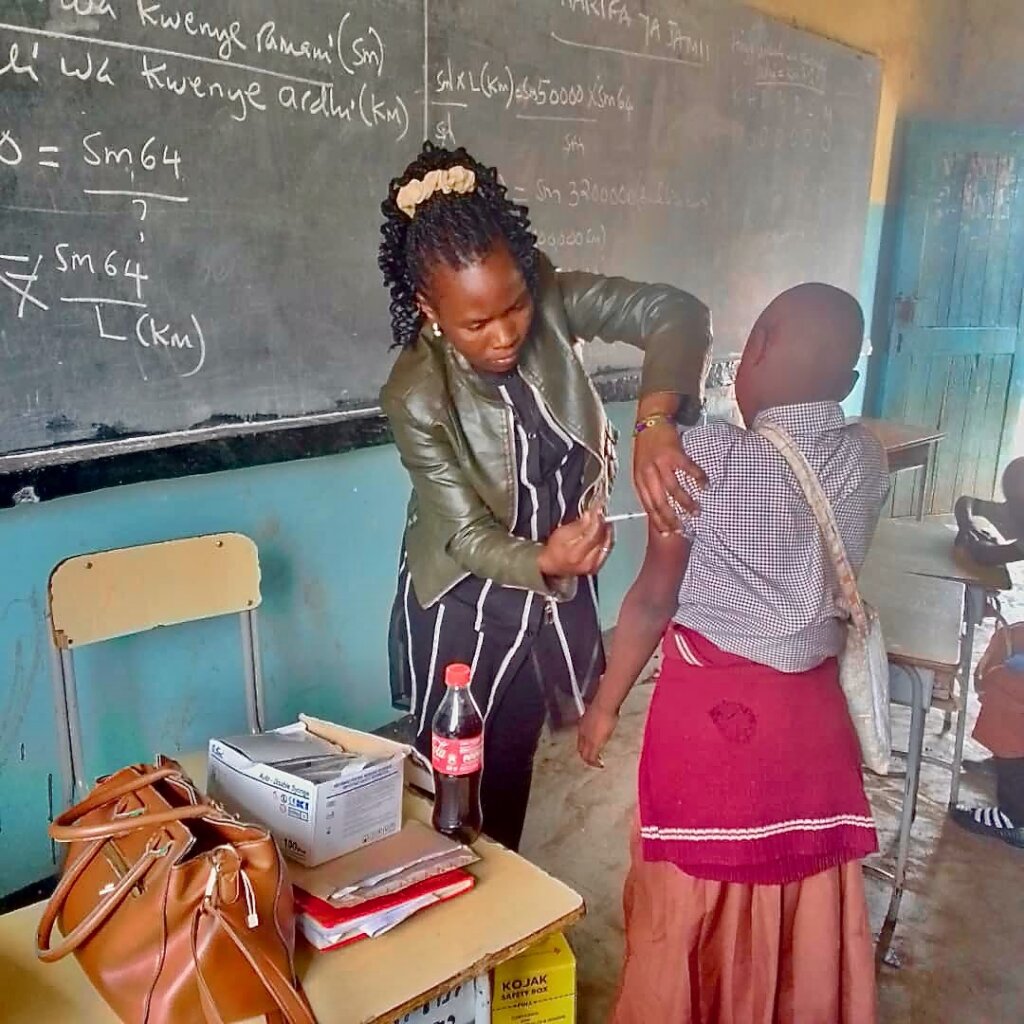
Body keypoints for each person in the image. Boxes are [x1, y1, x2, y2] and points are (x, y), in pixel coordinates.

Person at [378, 142, 712, 851]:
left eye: (516, 306)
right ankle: (449, 904)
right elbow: (465, 536)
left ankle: (504, 896)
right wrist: (545, 560)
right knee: (451, 779)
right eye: (476, 324)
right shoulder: (415, 394)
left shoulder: (553, 299)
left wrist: (655, 422)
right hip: (466, 598)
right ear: (430, 311)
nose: (505, 335)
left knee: (511, 766)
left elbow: (676, 312)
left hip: (548, 592)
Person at [579, 283, 888, 1023]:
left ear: (756, 351)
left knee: (690, 905)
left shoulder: (703, 457)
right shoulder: (867, 461)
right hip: (813, 736)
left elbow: (652, 600)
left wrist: (604, 705)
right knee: (801, 900)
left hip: (713, 737)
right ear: (849, 381)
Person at [951, 457, 1024, 846]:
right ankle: (1010, 759)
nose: (1009, 513)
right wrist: (968, 523)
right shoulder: (1017, 511)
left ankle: (1015, 815)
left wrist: (974, 540)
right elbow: (966, 502)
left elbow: (985, 556)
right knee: (1003, 643)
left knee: (1007, 687)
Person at [953, 457, 1024, 567]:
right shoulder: (1010, 511)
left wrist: (974, 539)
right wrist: (967, 525)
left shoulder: (1015, 509)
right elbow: (966, 501)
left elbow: (988, 555)